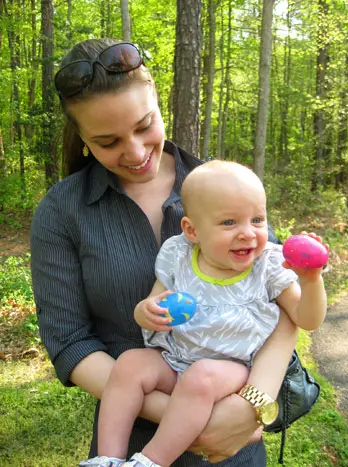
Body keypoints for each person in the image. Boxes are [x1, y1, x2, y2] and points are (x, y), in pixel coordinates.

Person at [30, 38, 307, 467]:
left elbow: (285, 309)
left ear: (158, 100)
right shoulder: (62, 211)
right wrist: (187, 415)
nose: (137, 153)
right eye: (107, 141)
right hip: (123, 441)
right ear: (82, 138)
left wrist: (253, 405)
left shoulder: (220, 185)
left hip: (232, 447)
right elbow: (69, 342)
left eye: (144, 126)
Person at [80, 161, 328, 467]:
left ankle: (149, 462)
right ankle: (107, 458)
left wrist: (311, 279)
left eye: (257, 219)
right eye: (229, 223)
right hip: (175, 361)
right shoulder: (179, 254)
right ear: (192, 230)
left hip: (232, 372)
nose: (247, 233)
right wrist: (145, 312)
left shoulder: (269, 266)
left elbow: (307, 319)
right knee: (129, 363)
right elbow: (156, 299)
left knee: (200, 377)